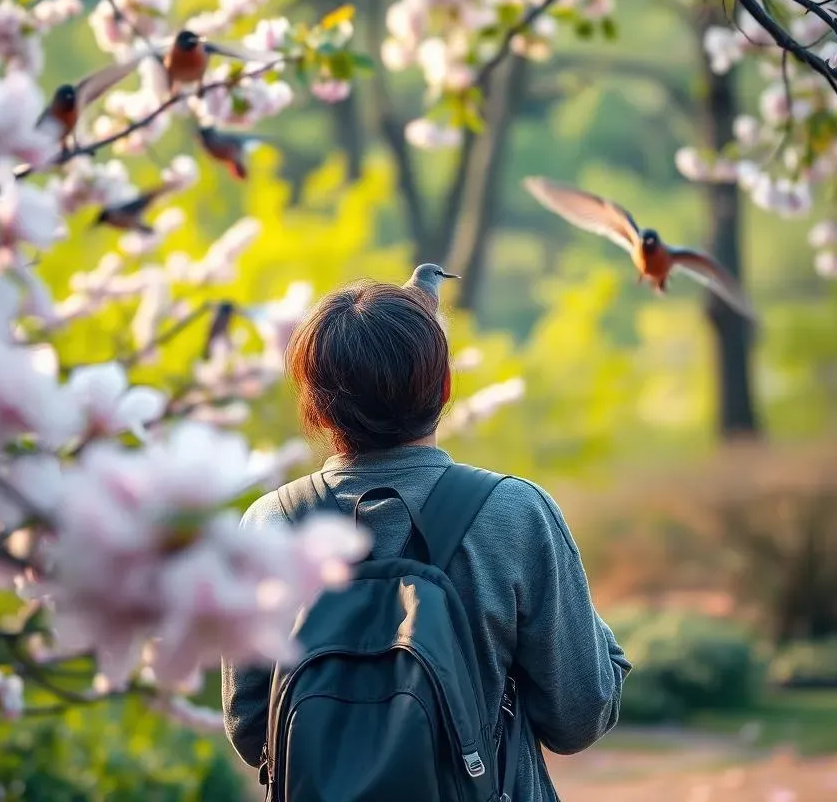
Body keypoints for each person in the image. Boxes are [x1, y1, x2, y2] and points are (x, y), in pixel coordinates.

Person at [222, 280, 631, 801]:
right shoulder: (514, 514)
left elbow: (252, 725)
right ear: (443, 389)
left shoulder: (270, 526)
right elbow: (578, 715)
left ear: (315, 408)